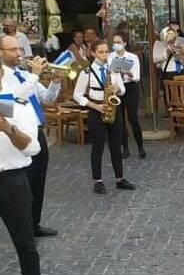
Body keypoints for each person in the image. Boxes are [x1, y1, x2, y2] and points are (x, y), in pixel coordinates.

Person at [0, 65, 51, 275]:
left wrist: (7, 128)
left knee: (25, 244)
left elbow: (32, 148)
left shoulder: (18, 103)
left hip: (12, 180)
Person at [1, 37, 61, 237]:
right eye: (12, 50)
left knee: (38, 181)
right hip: (16, 135)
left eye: (19, 48)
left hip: (37, 131)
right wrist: (35, 76)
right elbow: (17, 99)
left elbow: (46, 98)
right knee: (23, 187)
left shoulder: (24, 74)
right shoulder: (4, 77)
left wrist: (56, 81)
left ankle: (34, 224)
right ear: (1, 52)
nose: (18, 53)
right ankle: (24, 230)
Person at [73, 40, 136, 194]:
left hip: (113, 107)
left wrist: (117, 88)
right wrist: (94, 106)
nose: (104, 55)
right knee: (98, 147)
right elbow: (77, 95)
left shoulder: (113, 69)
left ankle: (119, 178)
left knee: (116, 145)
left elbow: (122, 91)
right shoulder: (86, 72)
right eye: (100, 52)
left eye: (106, 52)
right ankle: (98, 180)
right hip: (96, 109)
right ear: (93, 53)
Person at [109, 32, 146, 159]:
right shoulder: (110, 57)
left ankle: (140, 146)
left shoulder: (132, 57)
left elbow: (136, 77)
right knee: (120, 119)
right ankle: (124, 147)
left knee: (132, 117)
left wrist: (128, 72)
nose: (116, 45)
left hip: (130, 87)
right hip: (117, 88)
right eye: (114, 42)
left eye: (118, 42)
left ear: (124, 43)